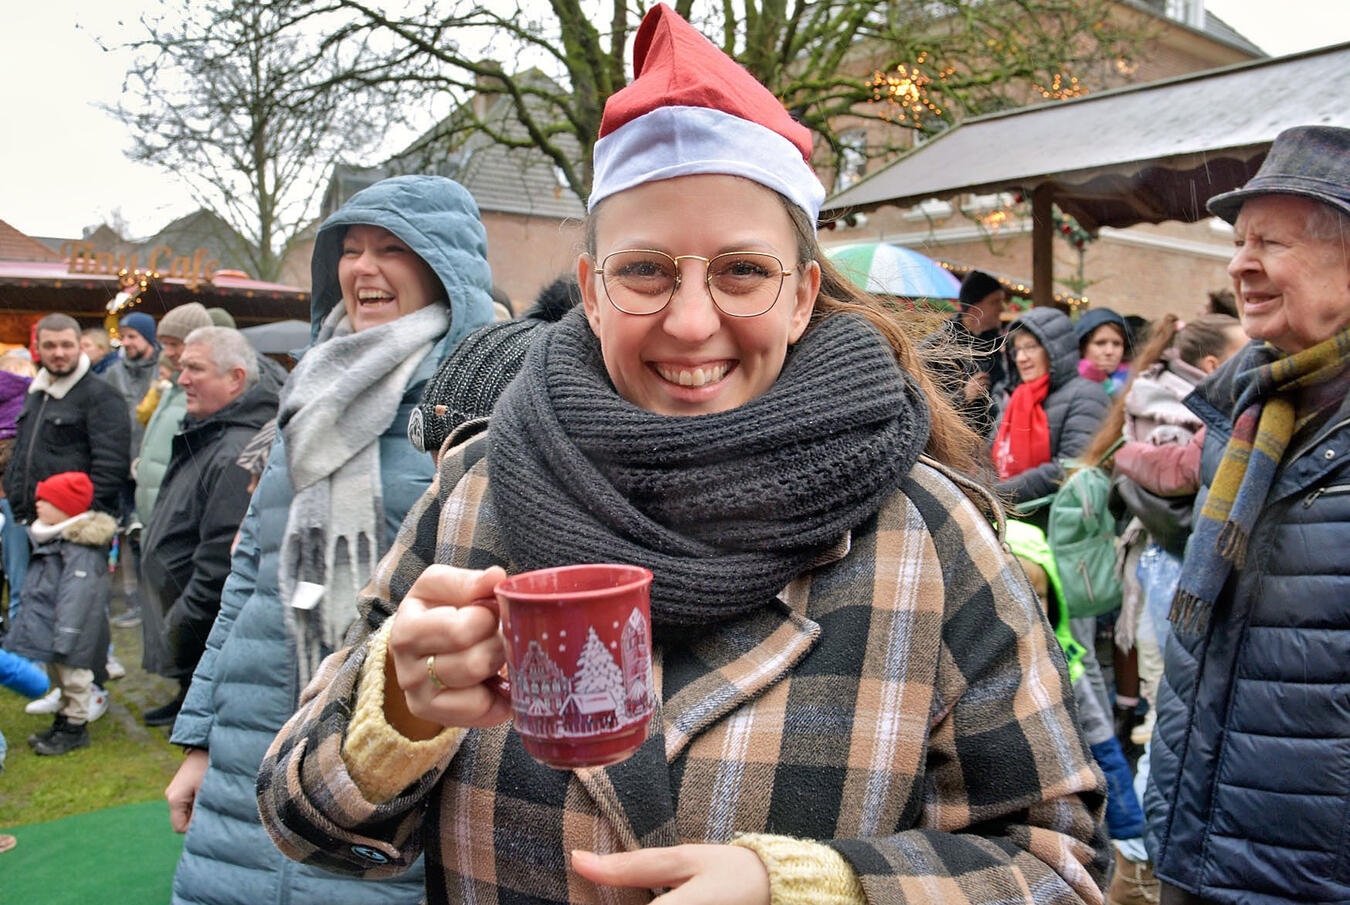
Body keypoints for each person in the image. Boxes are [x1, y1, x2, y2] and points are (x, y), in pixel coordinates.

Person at [257, 8, 1107, 904]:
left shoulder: (928, 531)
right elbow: (298, 817)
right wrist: (396, 711)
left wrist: (811, 887)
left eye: (742, 270)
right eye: (645, 272)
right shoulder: (478, 489)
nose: (692, 321)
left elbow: (1061, 863)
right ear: (589, 292)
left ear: (801, 293)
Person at [162, 173, 497, 905]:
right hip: (255, 736)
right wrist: (199, 741)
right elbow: (248, 579)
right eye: (350, 249)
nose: (363, 268)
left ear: (444, 267)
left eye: (390, 249)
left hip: (394, 754)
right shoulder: (306, 394)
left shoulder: (480, 407)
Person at [1144, 125, 1350, 905]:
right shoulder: (1248, 409)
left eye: (1271, 242)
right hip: (1196, 847)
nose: (1239, 263)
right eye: (1237, 241)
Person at [138, 326, 279, 728]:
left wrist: (177, 630)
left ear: (235, 378)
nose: (181, 379)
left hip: (198, 625)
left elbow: (220, 563)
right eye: (181, 368)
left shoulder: (236, 450)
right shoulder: (211, 432)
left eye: (194, 369)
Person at [3, 314, 130, 615]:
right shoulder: (36, 394)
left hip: (73, 531)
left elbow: (111, 466)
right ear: (37, 349)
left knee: (77, 612)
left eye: (66, 345)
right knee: (29, 606)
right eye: (50, 345)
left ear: (78, 346)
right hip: (26, 521)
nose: (58, 353)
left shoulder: (101, 396)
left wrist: (81, 521)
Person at [3, 472, 116, 755]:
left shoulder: (79, 550)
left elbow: (77, 598)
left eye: (47, 501)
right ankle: (63, 721)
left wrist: (67, 635)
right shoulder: (54, 540)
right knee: (60, 678)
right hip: (53, 628)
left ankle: (75, 727)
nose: (38, 504)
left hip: (70, 632)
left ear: (66, 508)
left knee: (76, 680)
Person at [992, 306, 1111, 525]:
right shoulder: (1017, 396)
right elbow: (991, 455)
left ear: (1055, 349)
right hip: (1009, 515)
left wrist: (996, 495)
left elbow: (1070, 466)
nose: (1021, 358)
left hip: (1054, 523)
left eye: (1030, 347)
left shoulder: (1087, 395)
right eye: (1017, 350)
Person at [924, 269, 1007, 438]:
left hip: (993, 445)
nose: (1001, 308)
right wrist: (963, 396)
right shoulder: (935, 348)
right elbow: (922, 403)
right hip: (954, 448)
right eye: (995, 302)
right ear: (976, 307)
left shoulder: (1001, 347)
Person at [1075, 308, 1132, 397]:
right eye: (1100, 343)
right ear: (1083, 347)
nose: (1109, 351)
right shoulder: (1065, 383)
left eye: (1117, 344)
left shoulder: (1136, 385)